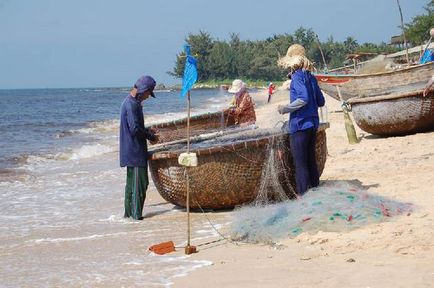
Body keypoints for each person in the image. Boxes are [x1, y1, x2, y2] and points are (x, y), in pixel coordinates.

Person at [277, 44, 325, 196]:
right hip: (312, 125)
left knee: (300, 164)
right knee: (311, 160)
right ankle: (315, 190)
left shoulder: (297, 76)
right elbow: (321, 101)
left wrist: (286, 108)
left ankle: (303, 196)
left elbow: (303, 98)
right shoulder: (311, 77)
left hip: (300, 125)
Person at [120, 75, 159, 220]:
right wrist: (151, 137)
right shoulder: (132, 104)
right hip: (135, 152)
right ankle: (136, 217)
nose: (148, 97)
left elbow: (136, 127)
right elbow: (135, 129)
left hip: (131, 151)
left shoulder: (130, 102)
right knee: (140, 184)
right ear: (143, 90)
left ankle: (128, 215)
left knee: (132, 185)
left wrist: (148, 130)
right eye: (149, 93)